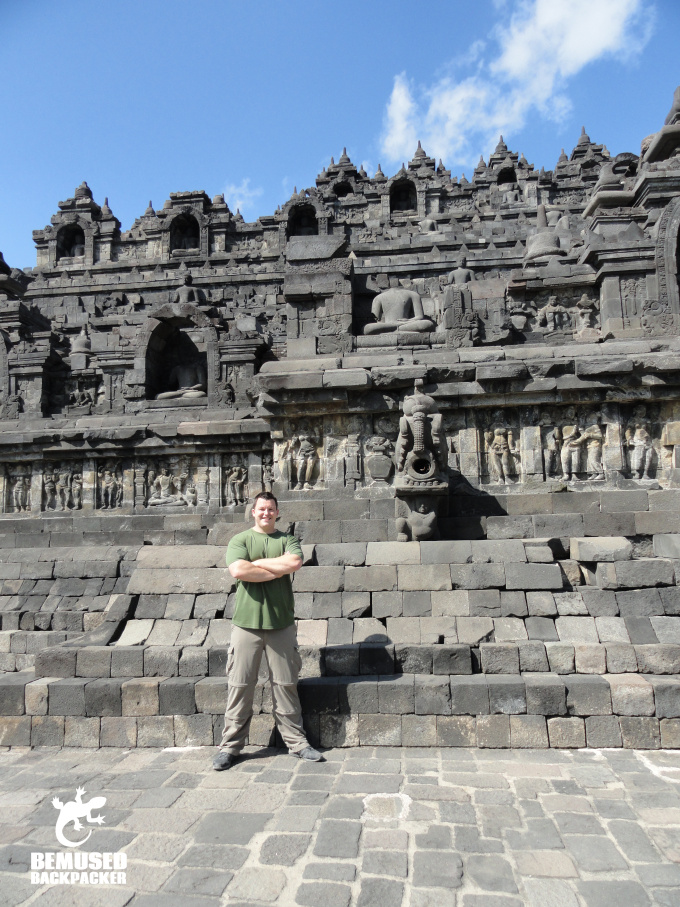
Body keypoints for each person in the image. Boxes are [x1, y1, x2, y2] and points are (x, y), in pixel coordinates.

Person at [213, 491, 323, 770]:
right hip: (246, 625)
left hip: (281, 625)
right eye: (261, 509)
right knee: (240, 686)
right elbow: (238, 570)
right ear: (253, 511)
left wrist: (258, 565)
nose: (266, 513)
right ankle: (230, 747)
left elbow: (294, 563)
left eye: (271, 509)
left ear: (277, 512)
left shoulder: (288, 540)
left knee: (286, 685)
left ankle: (297, 743)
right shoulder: (240, 540)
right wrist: (276, 569)